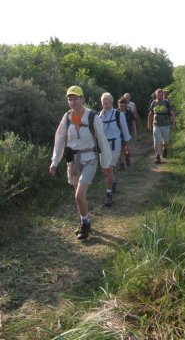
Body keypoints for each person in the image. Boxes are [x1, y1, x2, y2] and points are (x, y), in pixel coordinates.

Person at [49, 85, 112, 240]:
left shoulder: (92, 117)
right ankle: (85, 220)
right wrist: (54, 161)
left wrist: (105, 163)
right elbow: (59, 139)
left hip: (89, 159)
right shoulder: (67, 117)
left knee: (79, 195)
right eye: (70, 99)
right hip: (72, 162)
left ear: (82, 99)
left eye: (75, 98)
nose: (72, 102)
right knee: (78, 195)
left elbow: (102, 141)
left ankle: (85, 225)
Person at [99, 92, 131, 206]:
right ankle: (113, 181)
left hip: (115, 144)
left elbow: (125, 130)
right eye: (103, 103)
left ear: (112, 103)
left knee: (109, 168)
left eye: (107, 103)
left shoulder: (118, 115)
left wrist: (127, 144)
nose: (105, 106)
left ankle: (109, 194)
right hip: (104, 146)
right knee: (105, 171)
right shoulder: (99, 116)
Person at [148, 88, 176, 163]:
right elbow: (150, 114)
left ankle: (165, 149)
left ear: (163, 95)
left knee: (165, 141)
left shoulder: (167, 103)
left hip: (166, 125)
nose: (159, 96)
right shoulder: (153, 103)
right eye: (158, 95)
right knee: (157, 141)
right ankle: (157, 156)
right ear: (156, 95)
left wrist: (173, 124)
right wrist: (149, 124)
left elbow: (172, 114)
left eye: (161, 95)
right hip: (156, 124)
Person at [117, 96, 137, 170]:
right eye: (120, 106)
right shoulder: (116, 113)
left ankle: (127, 157)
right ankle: (122, 165)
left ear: (125, 105)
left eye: (122, 105)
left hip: (128, 132)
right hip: (118, 134)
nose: (121, 107)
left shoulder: (129, 112)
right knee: (120, 149)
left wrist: (135, 131)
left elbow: (133, 122)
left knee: (127, 148)